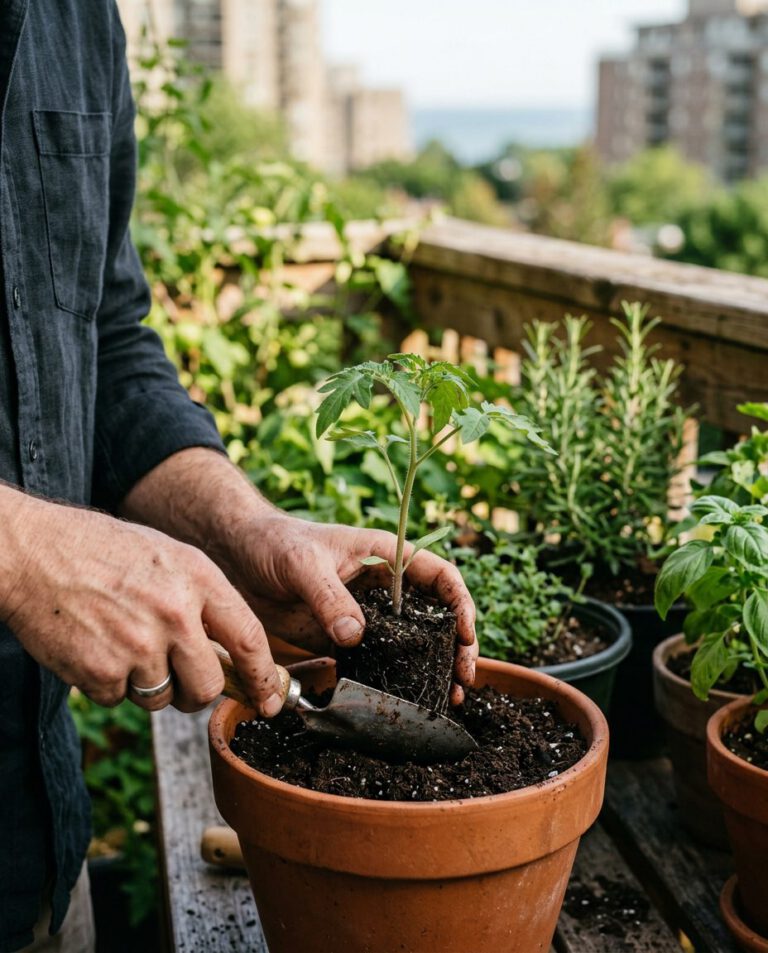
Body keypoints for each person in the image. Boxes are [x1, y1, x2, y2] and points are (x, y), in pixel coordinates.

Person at [0, 2, 478, 951]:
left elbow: (107, 346)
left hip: (30, 844)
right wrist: (20, 549)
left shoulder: (75, 19)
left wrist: (246, 531)